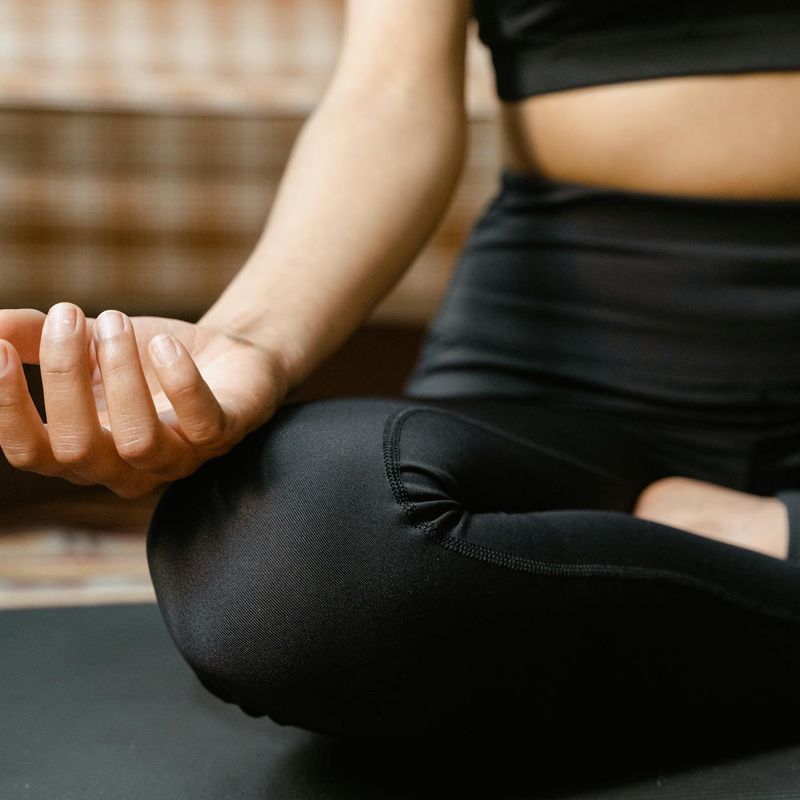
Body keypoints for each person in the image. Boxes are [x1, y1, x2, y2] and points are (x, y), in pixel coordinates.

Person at [1, 0, 800, 746]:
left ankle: (748, 548)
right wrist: (249, 341)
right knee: (292, 558)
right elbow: (386, 96)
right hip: (560, 359)